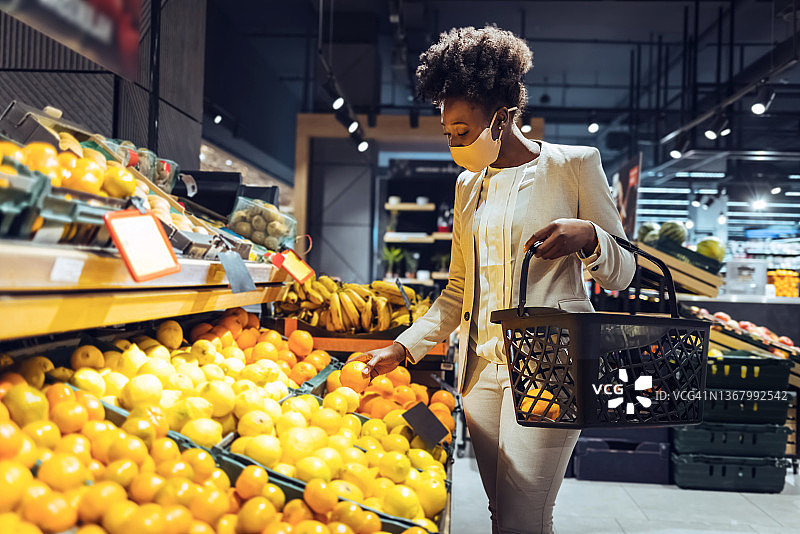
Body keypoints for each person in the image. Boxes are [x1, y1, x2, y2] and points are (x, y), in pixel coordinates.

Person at [350, 26, 636, 534]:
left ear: (501, 117)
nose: (455, 144)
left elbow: (625, 270)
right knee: (502, 513)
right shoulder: (468, 185)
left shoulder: (573, 166)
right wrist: (403, 347)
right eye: (449, 134)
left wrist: (588, 236)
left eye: (464, 132)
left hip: (553, 370)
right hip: (481, 374)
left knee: (523, 517)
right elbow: (458, 288)